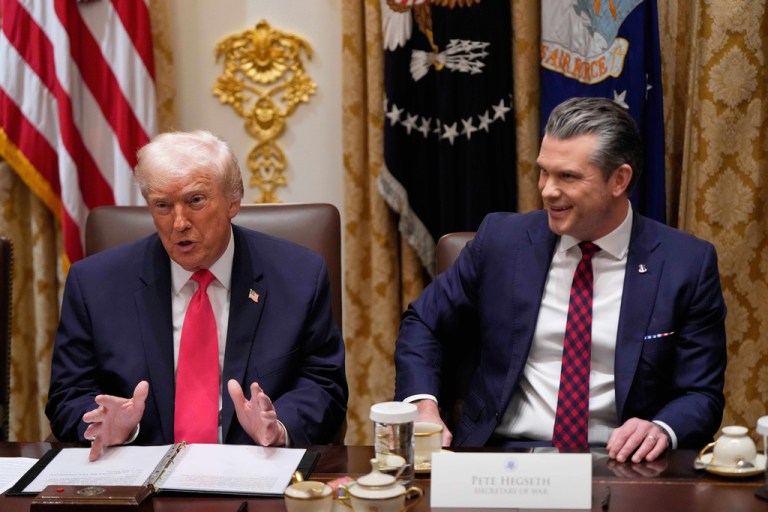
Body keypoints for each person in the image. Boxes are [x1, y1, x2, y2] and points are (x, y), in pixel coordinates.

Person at [394, 97, 727, 463]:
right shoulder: (502, 241)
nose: (547, 190)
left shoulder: (686, 264)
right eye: (543, 171)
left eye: (567, 176)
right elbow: (423, 321)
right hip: (503, 453)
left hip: (622, 461)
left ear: (620, 179)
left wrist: (661, 428)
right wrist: (423, 407)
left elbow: (701, 393)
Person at [46, 130, 348, 460]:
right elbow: (68, 394)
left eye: (196, 201)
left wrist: (280, 427)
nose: (179, 223)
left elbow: (323, 384)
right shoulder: (95, 283)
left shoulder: (299, 276)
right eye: (162, 205)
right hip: (138, 474)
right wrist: (107, 424)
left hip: (254, 469)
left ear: (233, 200)